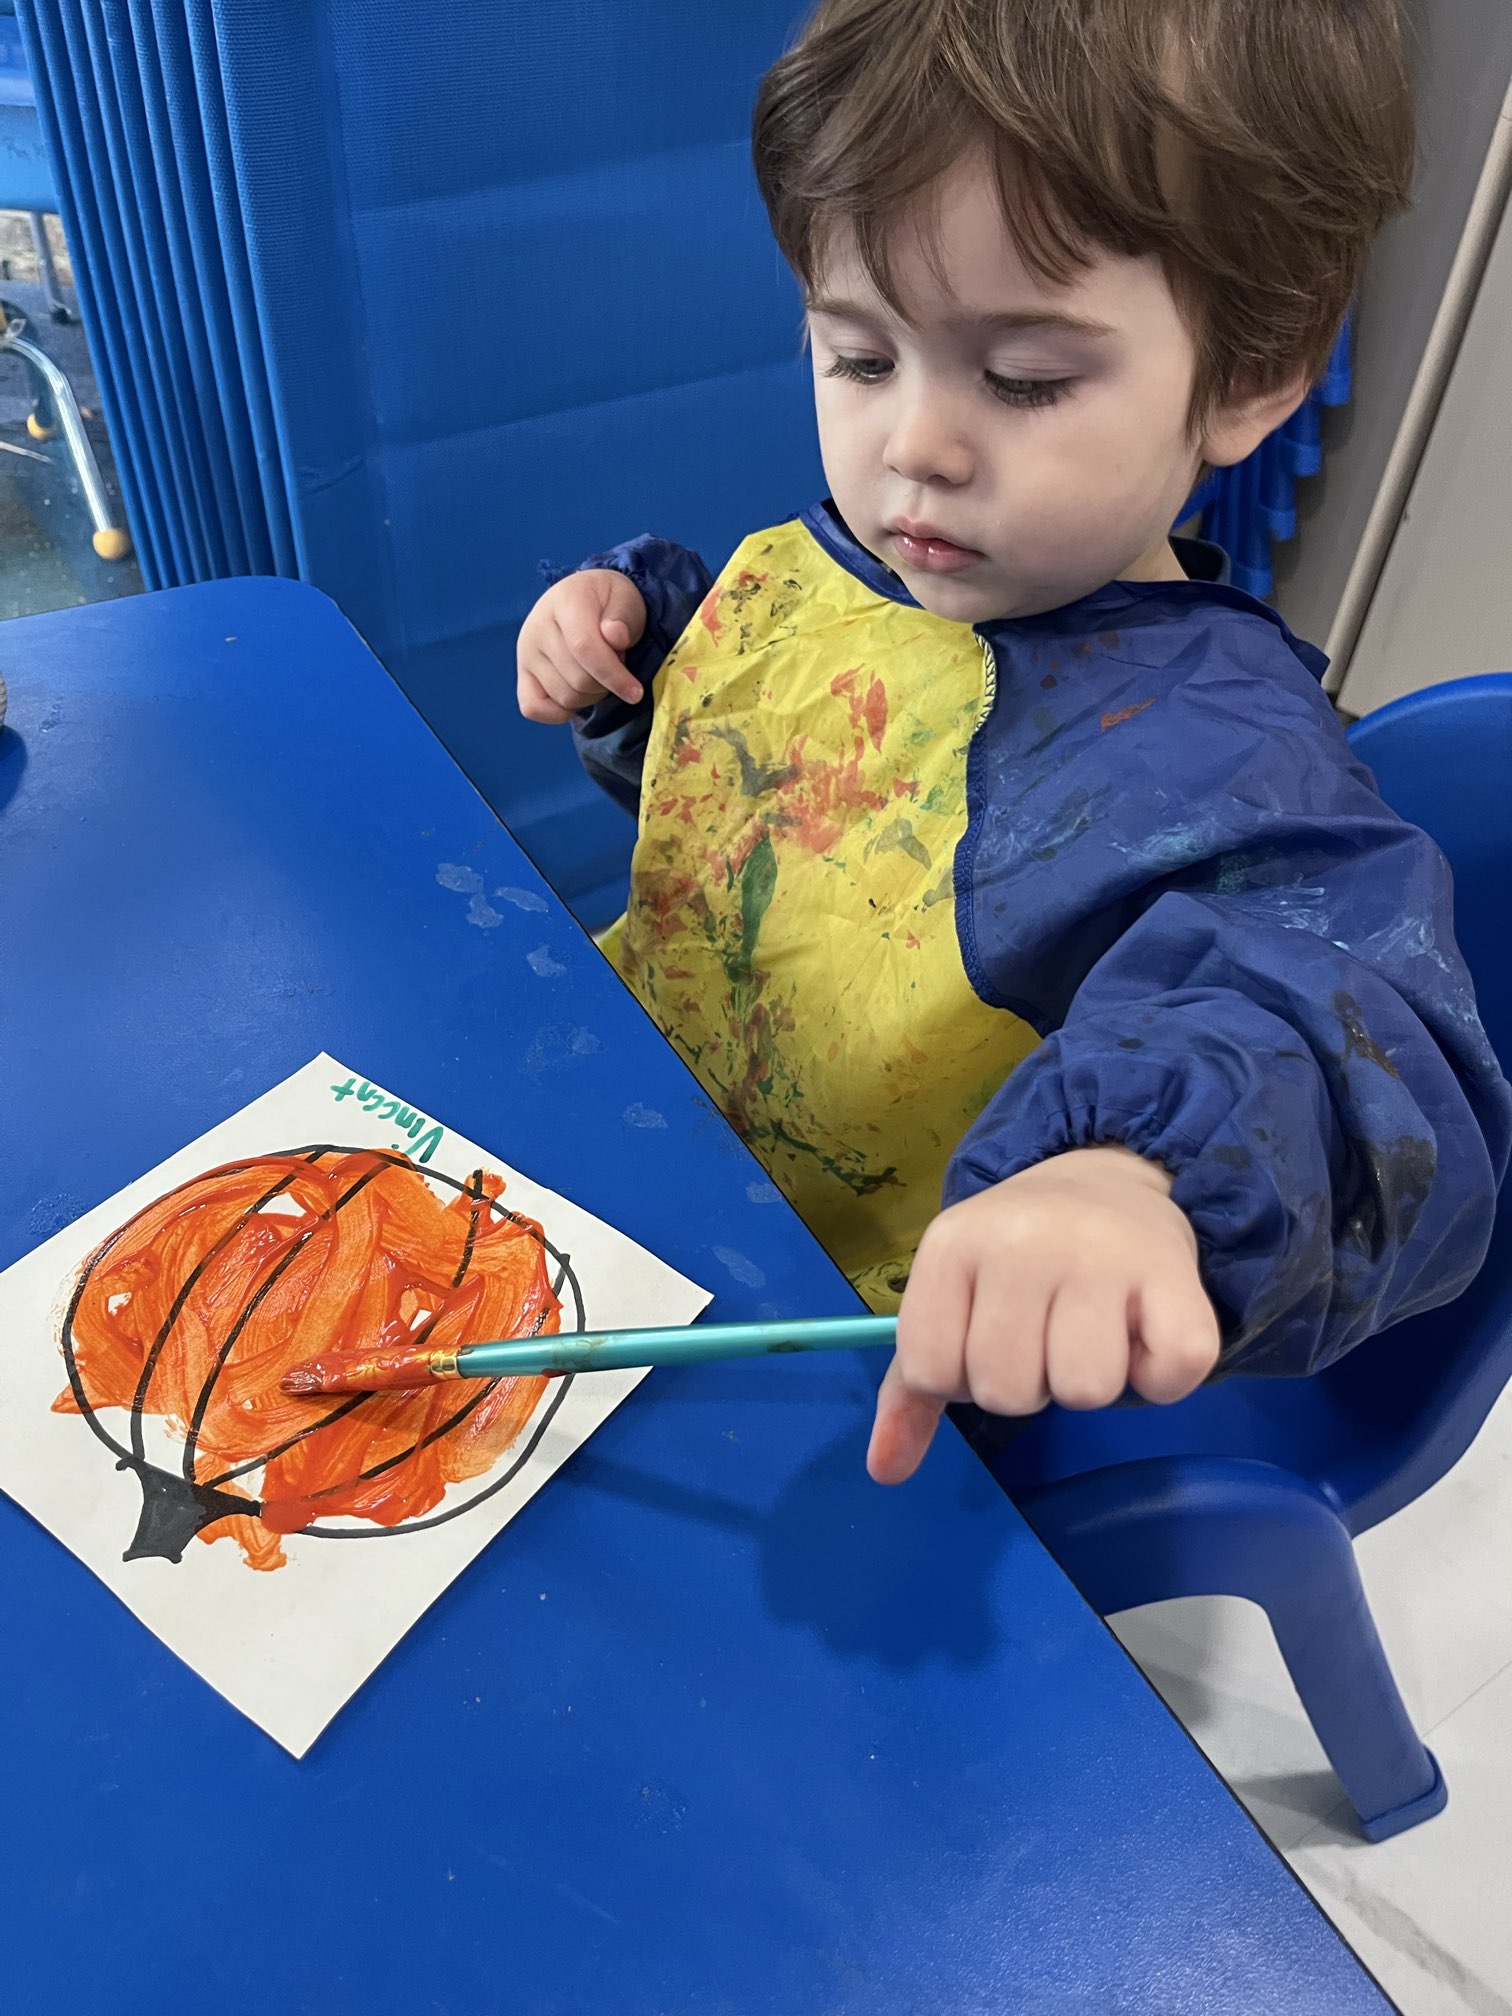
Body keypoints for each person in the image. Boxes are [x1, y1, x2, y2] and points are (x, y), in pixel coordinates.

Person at [516, 0, 1511, 1485]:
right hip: (616, 1139)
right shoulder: (853, 565)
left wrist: (1134, 1175)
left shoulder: (1214, 768)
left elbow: (1345, 1043)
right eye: (860, 358)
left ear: (1253, 371)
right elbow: (777, 825)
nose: (914, 446)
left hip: (829, 1348)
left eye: (1027, 379)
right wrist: (634, 664)